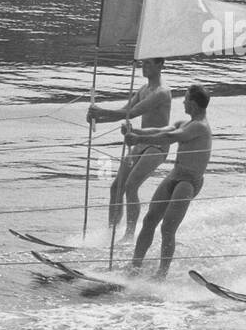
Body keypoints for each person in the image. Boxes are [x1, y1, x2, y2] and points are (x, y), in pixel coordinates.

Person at [126, 83, 212, 276]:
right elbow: (161, 129)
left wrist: (138, 140)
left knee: (167, 228)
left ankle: (161, 274)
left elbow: (170, 136)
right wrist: (136, 132)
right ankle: (134, 266)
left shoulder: (200, 127)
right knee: (149, 220)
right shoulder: (185, 122)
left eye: (186, 99)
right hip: (175, 175)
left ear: (195, 104)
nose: (183, 102)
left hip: (188, 182)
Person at [87, 58, 172, 242]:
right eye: (144, 63)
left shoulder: (161, 93)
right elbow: (125, 109)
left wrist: (99, 110)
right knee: (116, 187)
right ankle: (111, 234)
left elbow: (133, 114)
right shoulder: (143, 89)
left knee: (131, 185)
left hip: (156, 145)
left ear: (160, 66)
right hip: (139, 142)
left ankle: (129, 236)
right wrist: (97, 119)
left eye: (149, 63)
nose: (144, 67)